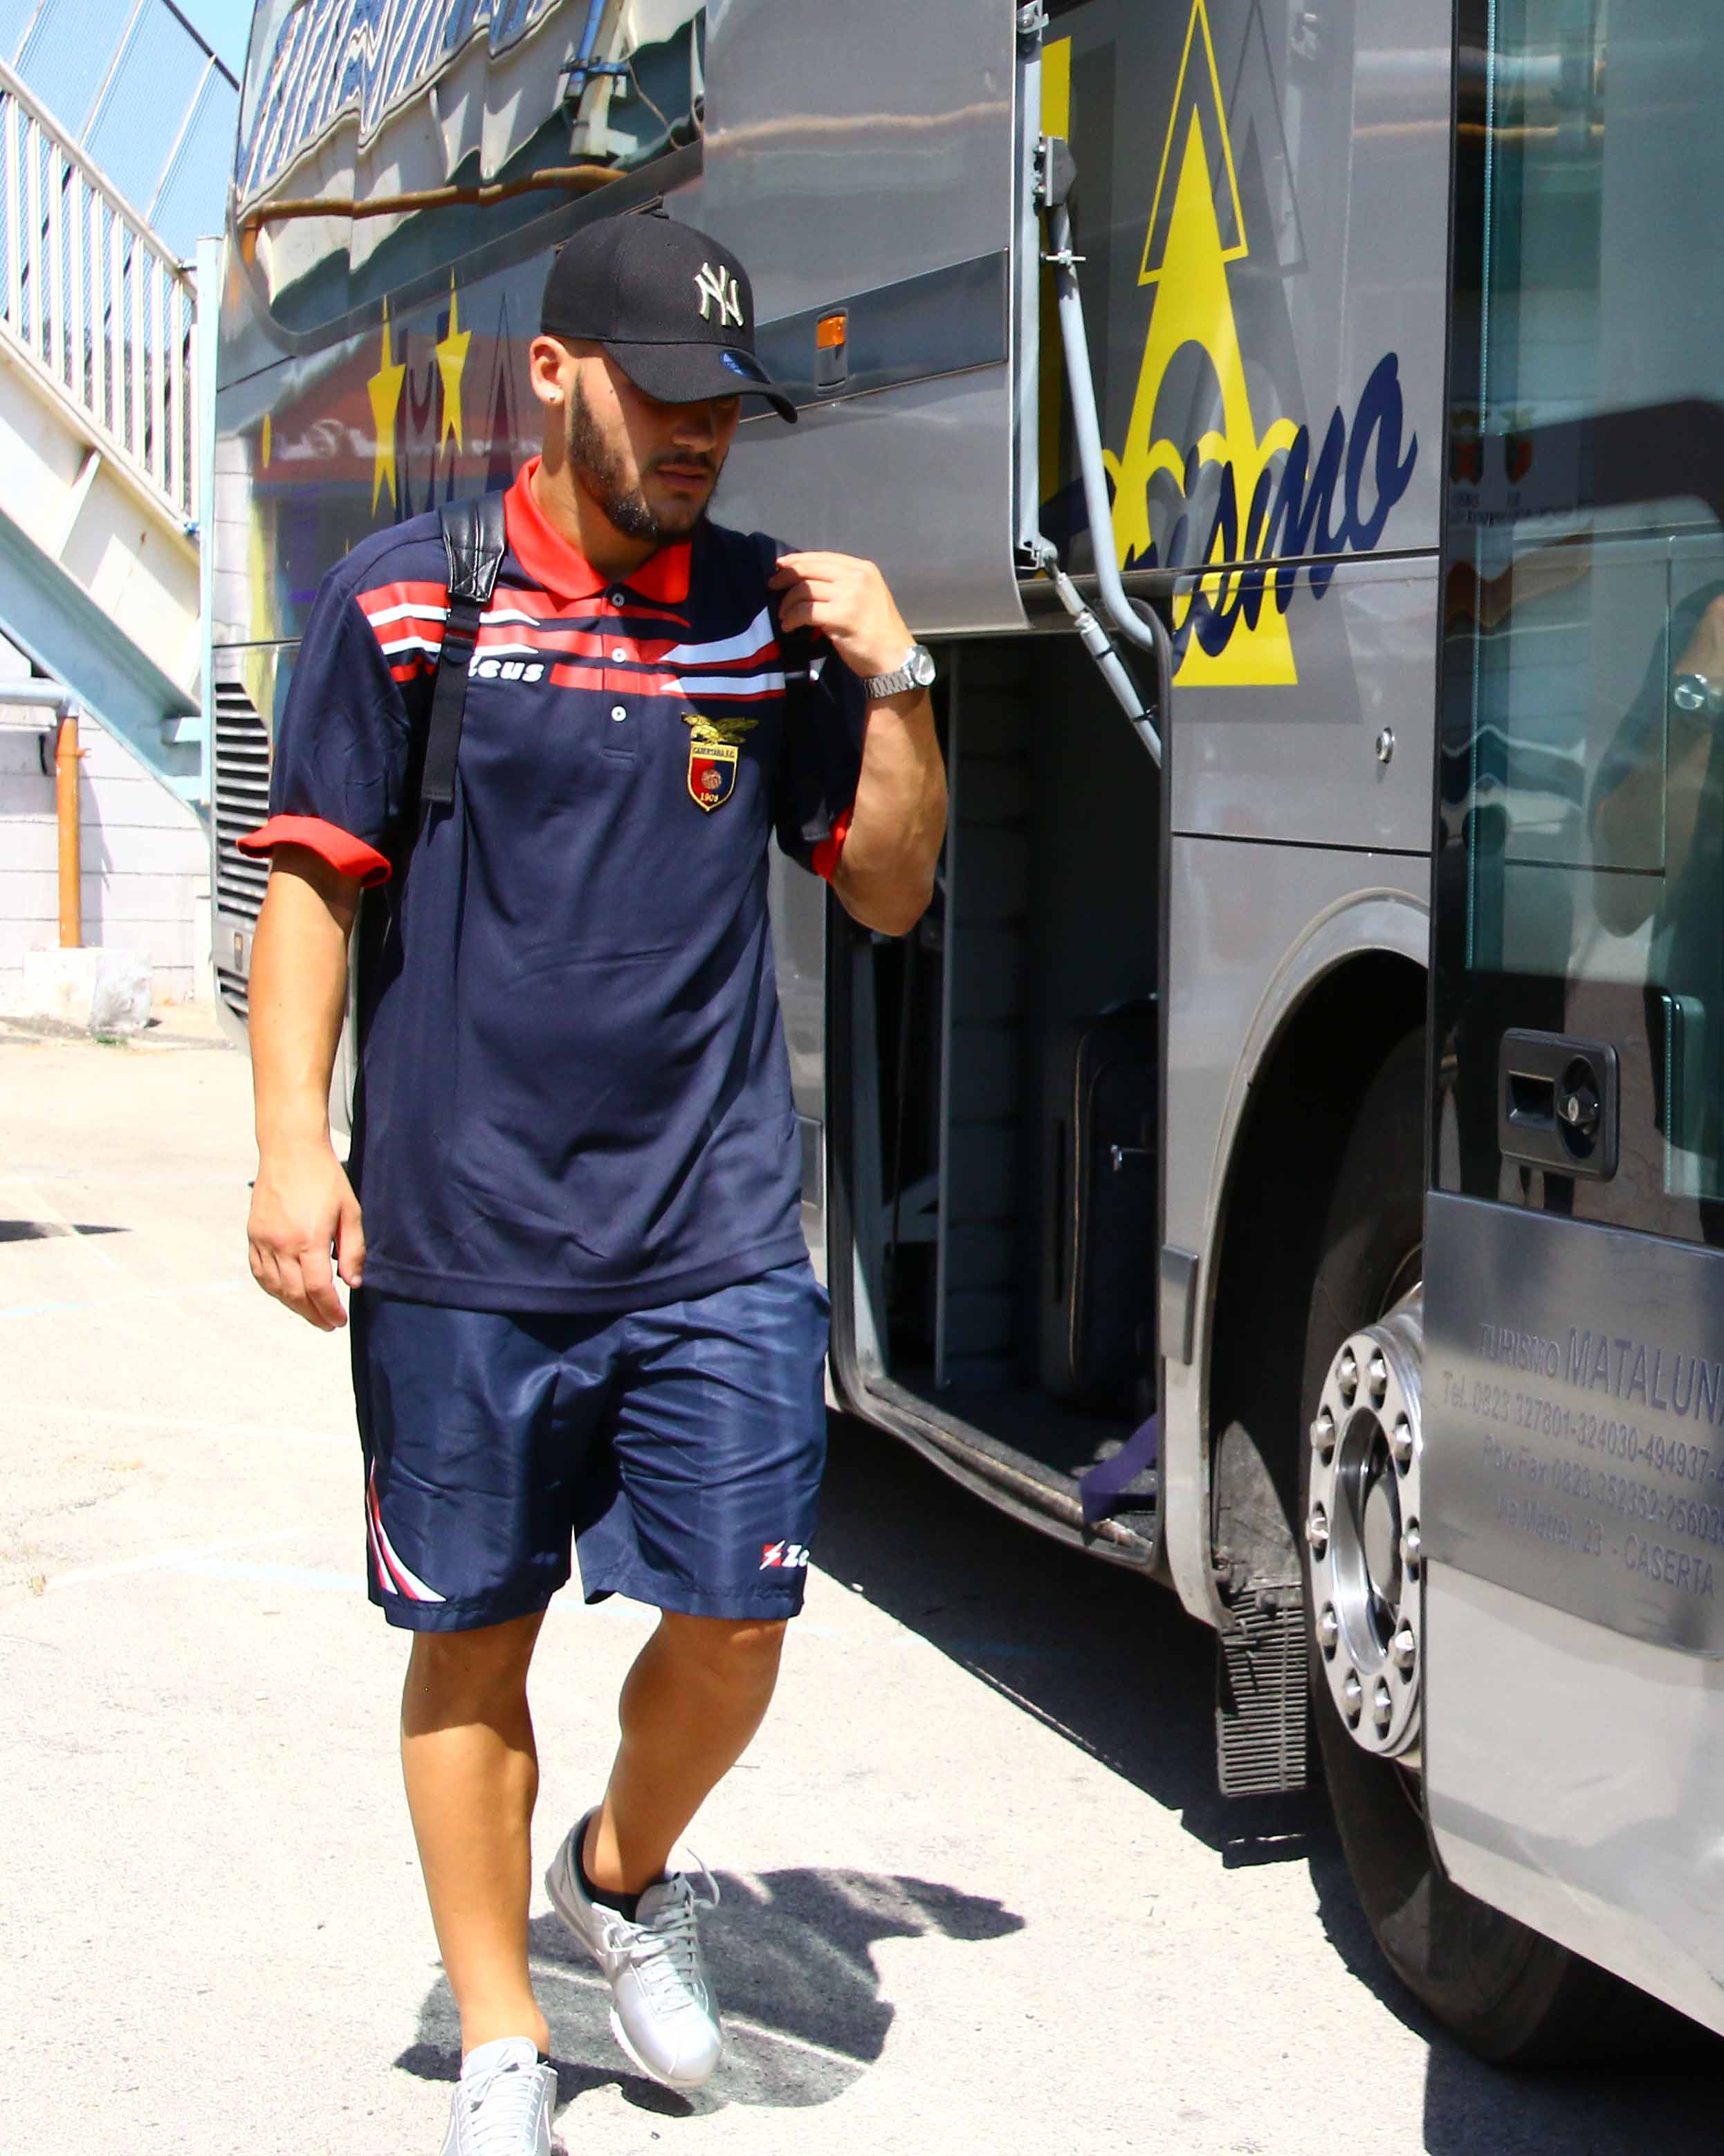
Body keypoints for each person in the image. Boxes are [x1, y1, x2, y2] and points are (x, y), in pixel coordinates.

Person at [239, 210, 946, 2156]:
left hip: (711, 1228)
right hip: (463, 1238)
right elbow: (309, 881)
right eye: (669, 394)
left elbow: (886, 882)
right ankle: (497, 2042)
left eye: (729, 405)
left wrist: (900, 682)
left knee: (737, 1617)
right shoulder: (405, 608)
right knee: (472, 1632)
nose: (704, 438)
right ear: (551, 378)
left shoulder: (764, 617)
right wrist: (296, 1144)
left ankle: (621, 1873)